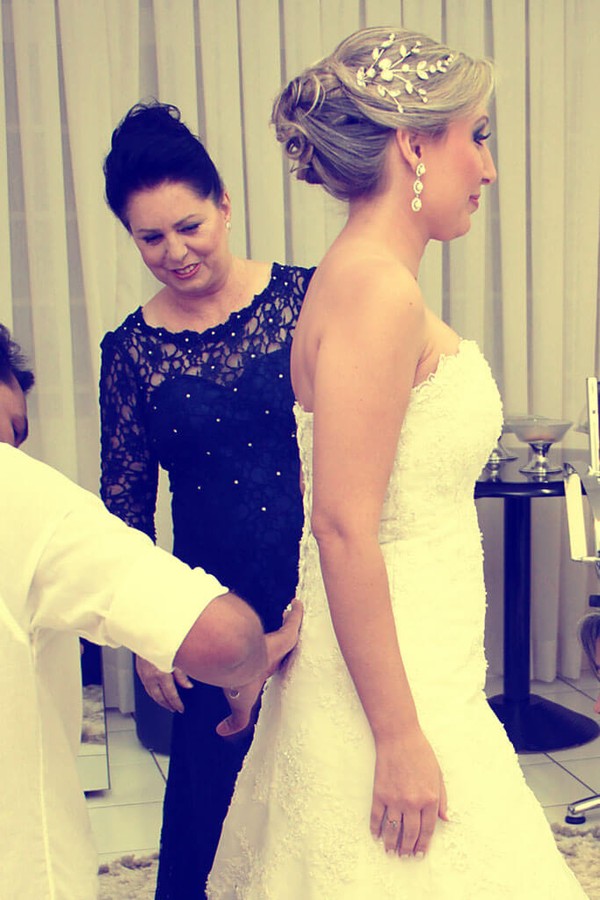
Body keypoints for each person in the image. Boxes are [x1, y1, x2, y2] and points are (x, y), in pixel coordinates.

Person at [207, 27, 587, 898]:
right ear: (415, 145)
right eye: (477, 136)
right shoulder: (377, 289)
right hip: (397, 683)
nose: (489, 168)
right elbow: (343, 525)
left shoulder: (359, 278)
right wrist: (399, 736)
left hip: (416, 655)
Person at [0, 324, 302, 899]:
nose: (15, 452)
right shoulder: (18, 491)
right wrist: (255, 653)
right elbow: (223, 637)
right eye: (13, 432)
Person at [100, 101, 314, 896]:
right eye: (150, 238)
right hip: (210, 615)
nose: (175, 252)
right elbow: (124, 509)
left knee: (321, 799)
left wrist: (322, 602)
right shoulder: (131, 352)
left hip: (318, 590)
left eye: (189, 226)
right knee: (216, 819)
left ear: (224, 204)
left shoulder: (306, 300)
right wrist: (148, 632)